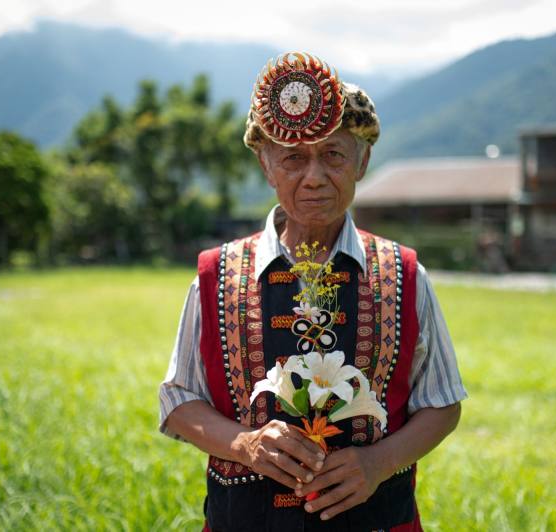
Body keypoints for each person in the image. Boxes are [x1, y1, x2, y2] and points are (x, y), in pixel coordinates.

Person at [159, 51, 467, 531]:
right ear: (266, 166)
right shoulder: (215, 276)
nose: (315, 177)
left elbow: (443, 402)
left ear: (362, 162)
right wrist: (244, 444)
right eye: (293, 158)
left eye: (334, 155)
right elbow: (179, 401)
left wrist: (379, 462)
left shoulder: (404, 274)